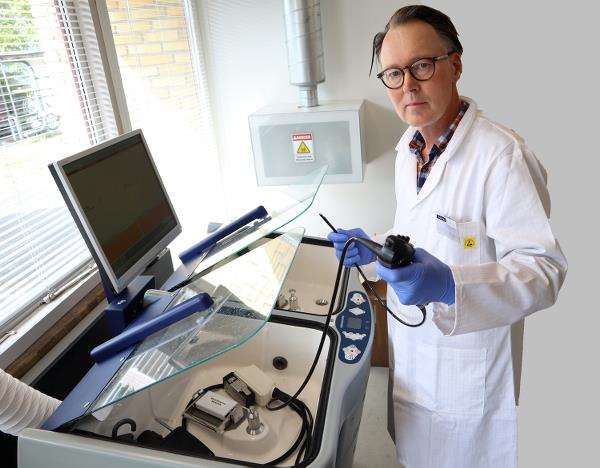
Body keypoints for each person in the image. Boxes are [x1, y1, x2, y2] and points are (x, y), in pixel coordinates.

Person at [327, 5, 567, 468]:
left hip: (471, 383)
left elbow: (544, 271)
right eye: (393, 73)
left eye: (421, 65)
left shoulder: (502, 157)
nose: (408, 85)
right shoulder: (409, 150)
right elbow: (418, 236)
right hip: (413, 372)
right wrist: (375, 249)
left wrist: (450, 286)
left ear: (455, 64)